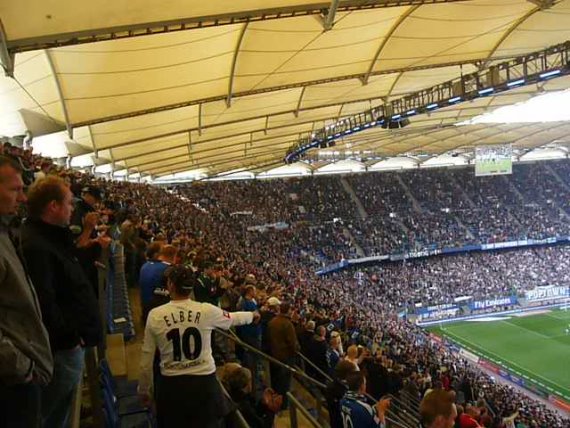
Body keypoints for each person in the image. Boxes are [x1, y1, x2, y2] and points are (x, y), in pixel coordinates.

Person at [21, 176, 103, 427]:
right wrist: (71, 338)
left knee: (62, 412)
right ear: (53, 206)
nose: (73, 209)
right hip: (63, 350)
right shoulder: (36, 245)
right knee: (49, 416)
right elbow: (44, 301)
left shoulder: (50, 238)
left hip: (69, 346)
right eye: (69, 203)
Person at [138, 265, 260, 427]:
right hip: (204, 384)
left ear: (170, 285)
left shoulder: (155, 315)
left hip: (171, 386)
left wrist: (144, 390)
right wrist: (252, 315)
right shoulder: (206, 310)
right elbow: (232, 318)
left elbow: (146, 360)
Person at [0, 156, 53, 428]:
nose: (22, 198)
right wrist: (22, 367)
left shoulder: (6, 231)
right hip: (12, 385)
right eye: (15, 189)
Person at [267, 302, 299, 408]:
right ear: (288, 311)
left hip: (273, 356)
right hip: (285, 358)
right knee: (284, 384)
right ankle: (283, 405)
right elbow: (293, 343)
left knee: (275, 381)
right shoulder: (287, 324)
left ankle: (274, 400)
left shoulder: (272, 321)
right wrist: (297, 350)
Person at [139, 244, 177, 323]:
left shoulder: (145, 265)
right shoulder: (169, 270)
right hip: (160, 315)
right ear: (174, 256)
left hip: (145, 309)